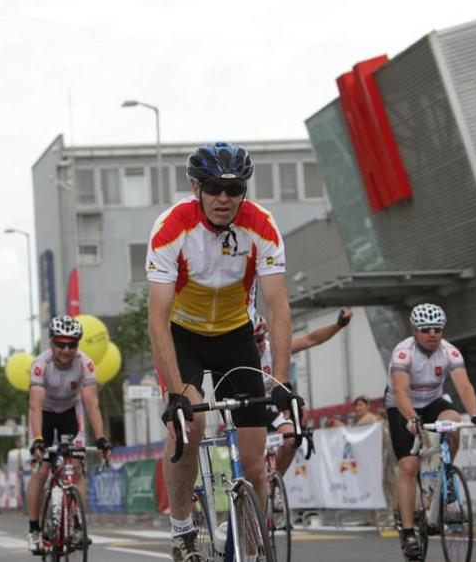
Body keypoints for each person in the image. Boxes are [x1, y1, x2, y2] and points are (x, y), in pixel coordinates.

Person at [147, 142, 301, 562]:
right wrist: (176, 393)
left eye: (234, 189)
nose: (223, 198)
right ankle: (182, 527)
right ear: (196, 187)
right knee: (189, 424)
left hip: (236, 335)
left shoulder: (261, 225)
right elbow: (157, 319)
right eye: (214, 187)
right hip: (184, 336)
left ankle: (248, 552)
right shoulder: (171, 227)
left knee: (254, 465)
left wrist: (281, 383)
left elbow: (279, 308)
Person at [384, 303, 476, 561]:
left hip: (432, 401)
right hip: (402, 406)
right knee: (409, 466)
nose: (432, 334)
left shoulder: (450, 352)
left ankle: (445, 477)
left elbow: (464, 386)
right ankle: (408, 532)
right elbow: (400, 392)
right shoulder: (403, 352)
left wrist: (475, 414)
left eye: (437, 330)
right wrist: (412, 419)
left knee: (454, 422)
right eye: (426, 329)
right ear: (415, 331)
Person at [26, 315, 111, 554]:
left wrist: (102, 439)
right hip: (44, 414)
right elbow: (34, 405)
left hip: (70, 413)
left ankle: (77, 527)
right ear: (51, 342)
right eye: (60, 344)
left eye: (71, 345)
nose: (66, 350)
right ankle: (34, 529)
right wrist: (38, 440)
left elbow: (92, 405)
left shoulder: (85, 364)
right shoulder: (40, 364)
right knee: (42, 468)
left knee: (76, 466)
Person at [256, 308, 352, 476]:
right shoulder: (240, 356)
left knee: (292, 440)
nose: (259, 345)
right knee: (250, 458)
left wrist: (338, 325)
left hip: (272, 406)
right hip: (250, 407)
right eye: (253, 340)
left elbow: (310, 339)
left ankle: (274, 481)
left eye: (260, 339)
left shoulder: (273, 350)